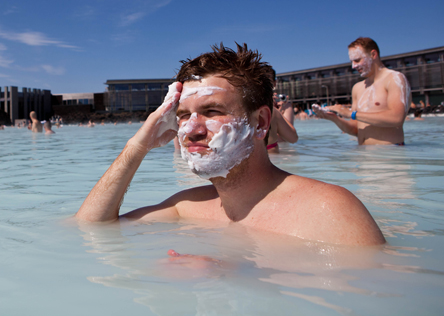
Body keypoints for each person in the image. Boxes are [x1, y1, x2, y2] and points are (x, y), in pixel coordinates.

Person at [76, 43, 385, 246]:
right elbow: (90, 227)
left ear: (261, 122)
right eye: (182, 116)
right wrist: (137, 146)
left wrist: (234, 275)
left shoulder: (328, 211)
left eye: (212, 111)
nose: (192, 129)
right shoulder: (187, 208)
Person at [313, 37, 410, 145]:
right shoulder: (357, 88)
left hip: (389, 154)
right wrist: (333, 118)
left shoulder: (394, 79)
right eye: (352, 61)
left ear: (373, 55)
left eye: (357, 60)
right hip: (363, 155)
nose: (353, 66)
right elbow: (355, 130)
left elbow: (397, 118)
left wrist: (351, 114)